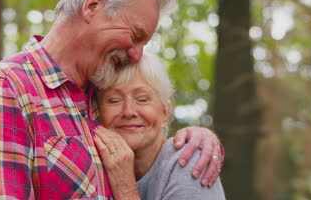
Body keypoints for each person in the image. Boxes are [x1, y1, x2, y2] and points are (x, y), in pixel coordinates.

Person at [0, 0, 223, 199]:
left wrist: (198, 139)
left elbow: (153, 147)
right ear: (93, 5)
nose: (137, 55)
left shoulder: (100, 92)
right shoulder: (6, 89)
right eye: (136, 35)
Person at [95, 52, 225, 199]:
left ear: (165, 112)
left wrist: (125, 189)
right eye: (114, 100)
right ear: (97, 112)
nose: (128, 111)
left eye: (142, 99)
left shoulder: (187, 161)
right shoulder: (89, 161)